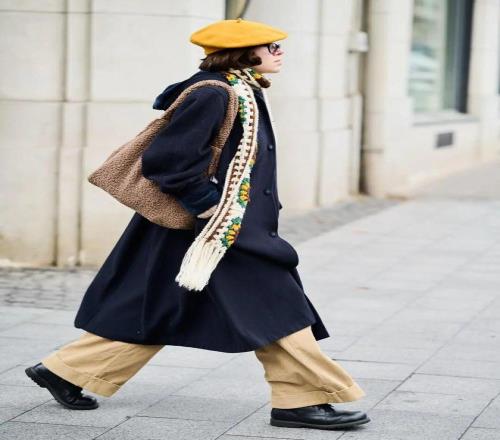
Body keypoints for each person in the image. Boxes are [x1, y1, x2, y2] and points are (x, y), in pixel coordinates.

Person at [25, 18, 370, 430]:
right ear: (243, 53)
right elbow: (168, 160)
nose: (280, 53)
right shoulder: (214, 93)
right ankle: (301, 400)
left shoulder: (242, 89)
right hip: (215, 230)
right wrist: (209, 208)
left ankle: (66, 371)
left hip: (215, 229)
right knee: (277, 306)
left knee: (161, 309)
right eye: (272, 46)